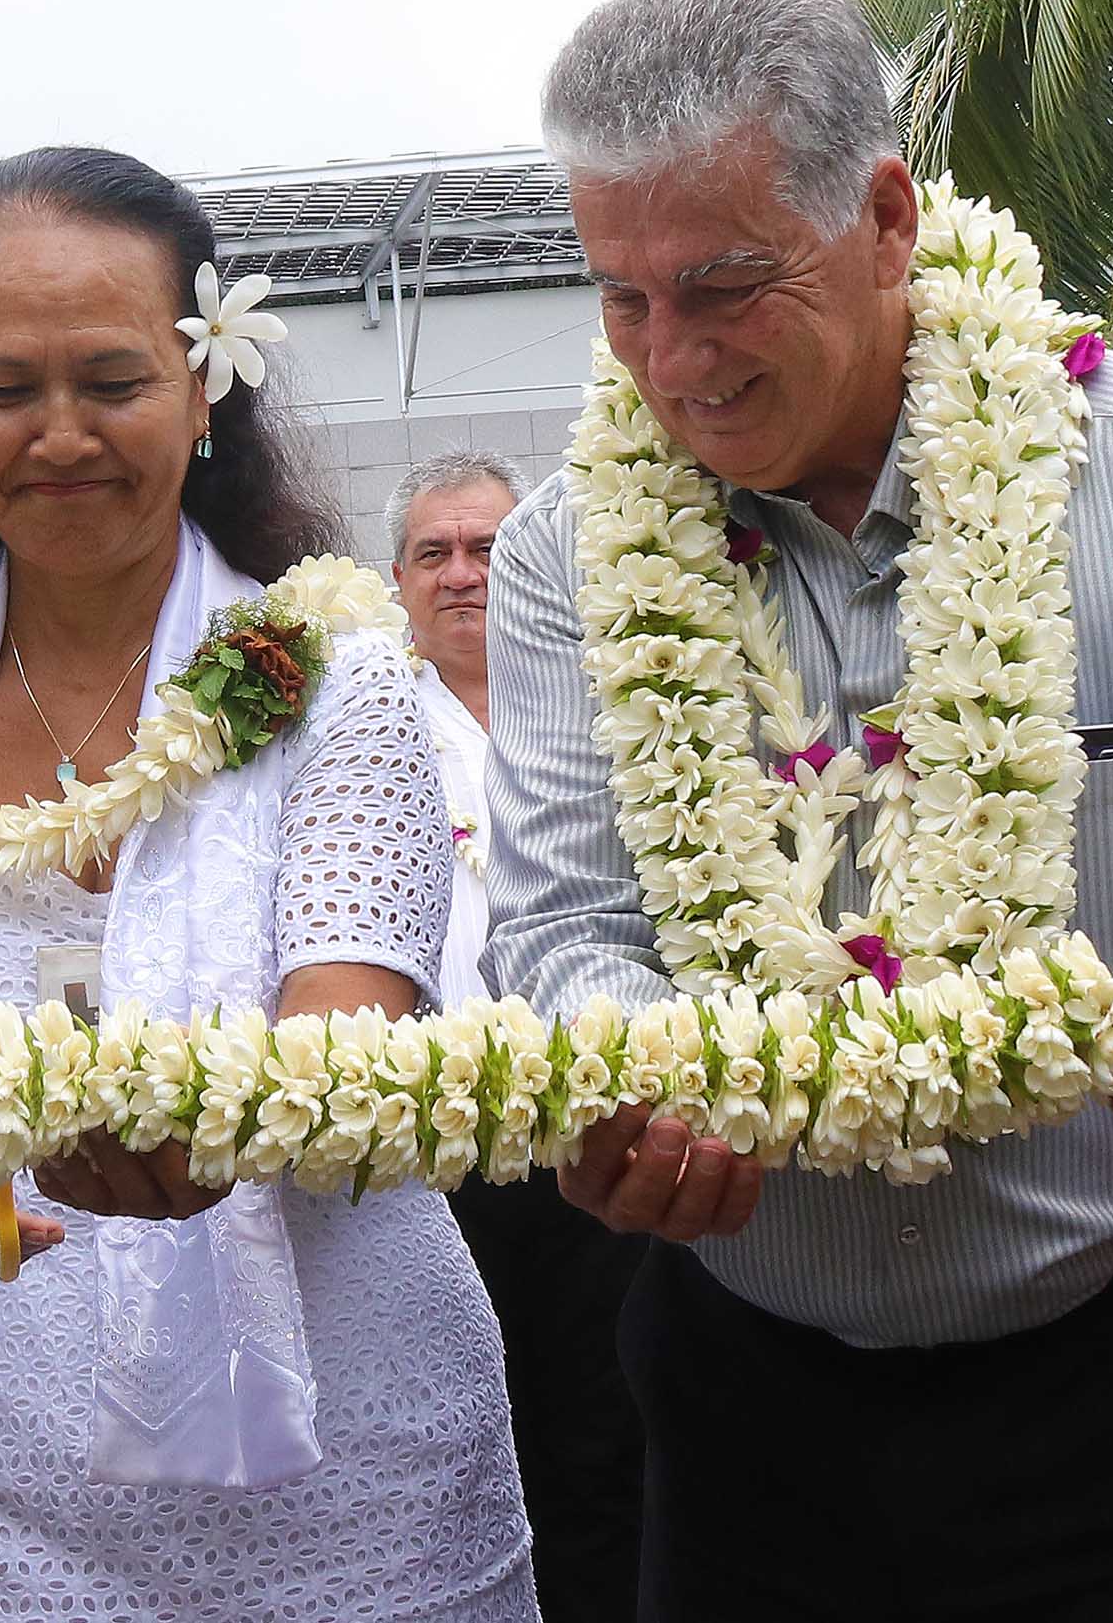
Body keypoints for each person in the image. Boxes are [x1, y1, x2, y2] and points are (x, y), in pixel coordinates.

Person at [494, 0, 1113, 1621]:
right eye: (622, 301)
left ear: (889, 217)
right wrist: (629, 1070)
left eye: (723, 285)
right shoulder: (568, 553)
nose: (675, 363)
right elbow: (568, 918)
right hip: (750, 1416)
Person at [0, 144, 534, 1622]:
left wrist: (223, 1132)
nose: (63, 435)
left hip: (348, 1458)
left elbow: (340, 1035)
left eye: (113, 380)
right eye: (8, 390)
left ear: (205, 383)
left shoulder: (335, 678)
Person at [386, 449, 647, 1623]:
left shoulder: (611, 705)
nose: (463, 575)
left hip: (603, 1133)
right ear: (397, 582)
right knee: (465, 1437)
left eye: (488, 548)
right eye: (434, 553)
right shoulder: (365, 732)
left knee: (608, 1429)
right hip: (440, 1160)